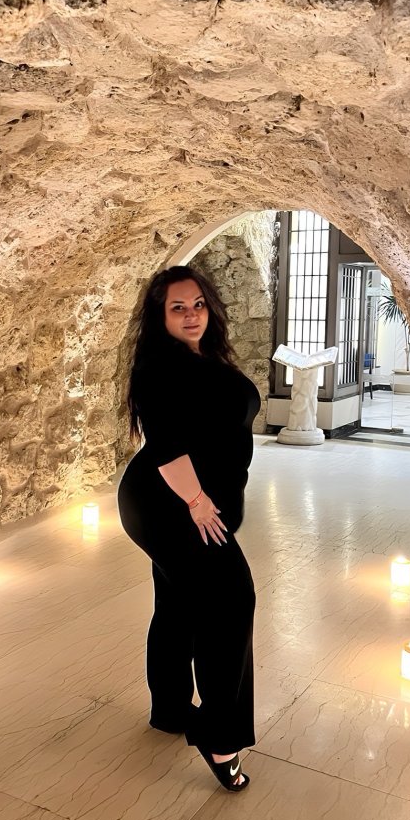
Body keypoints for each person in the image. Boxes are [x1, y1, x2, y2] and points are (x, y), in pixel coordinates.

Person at [117, 265, 261, 791]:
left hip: (183, 504)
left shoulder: (203, 357)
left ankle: (170, 708)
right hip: (170, 505)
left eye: (198, 304)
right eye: (177, 307)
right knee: (232, 601)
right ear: (160, 316)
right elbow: (166, 447)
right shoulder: (159, 367)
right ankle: (219, 738)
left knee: (178, 604)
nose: (191, 314)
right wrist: (199, 503)